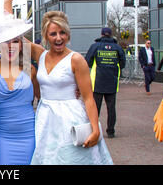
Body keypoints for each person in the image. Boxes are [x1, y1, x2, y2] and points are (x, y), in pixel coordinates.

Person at [28, 11, 113, 165]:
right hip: (45, 119)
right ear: (46, 36)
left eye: (63, 33)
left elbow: (88, 98)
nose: (59, 38)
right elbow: (13, 35)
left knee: (70, 159)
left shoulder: (76, 59)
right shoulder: (40, 55)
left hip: (70, 119)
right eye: (53, 34)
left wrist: (95, 129)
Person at [0, 0, 39, 165]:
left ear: (21, 45)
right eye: (6, 41)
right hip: (2, 138)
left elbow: (45, 99)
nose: (11, 45)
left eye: (15, 41)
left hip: (31, 136)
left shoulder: (30, 70)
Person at [85, 27, 126, 138]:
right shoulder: (117, 47)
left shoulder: (95, 46)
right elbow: (123, 64)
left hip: (97, 82)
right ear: (111, 35)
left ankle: (94, 130)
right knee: (111, 108)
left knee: (95, 108)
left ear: (102, 35)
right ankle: (111, 131)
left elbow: (87, 61)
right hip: (112, 82)